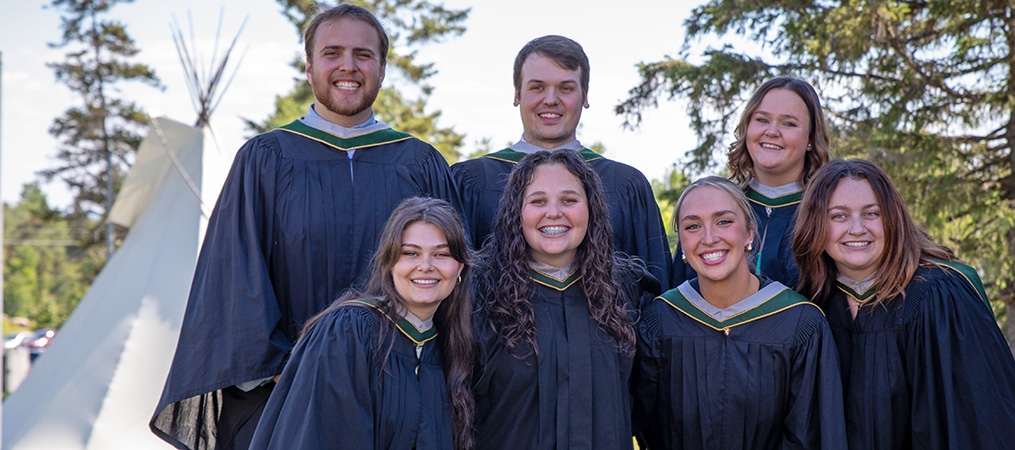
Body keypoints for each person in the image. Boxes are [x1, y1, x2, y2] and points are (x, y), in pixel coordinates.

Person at [150, 5, 459, 449]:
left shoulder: (420, 163)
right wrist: (291, 369)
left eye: (363, 55)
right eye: (333, 53)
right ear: (309, 67)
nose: (348, 66)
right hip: (286, 397)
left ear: (383, 68)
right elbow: (234, 279)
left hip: (404, 394)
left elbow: (452, 274)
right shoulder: (265, 160)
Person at [791, 159, 1015, 450]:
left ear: (892, 219)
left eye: (871, 213)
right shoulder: (812, 309)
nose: (857, 228)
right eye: (838, 216)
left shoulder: (938, 296)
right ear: (815, 225)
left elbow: (981, 422)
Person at [634, 176, 847, 450]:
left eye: (724, 221)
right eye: (693, 226)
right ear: (682, 244)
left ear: (749, 232)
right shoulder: (660, 321)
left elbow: (811, 436)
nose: (709, 238)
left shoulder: (800, 324)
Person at [249, 198, 474, 450]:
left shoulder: (447, 346)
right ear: (389, 263)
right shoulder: (349, 331)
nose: (425, 266)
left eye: (441, 254)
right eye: (410, 253)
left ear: (460, 267)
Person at [451, 35, 670, 294]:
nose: (551, 99)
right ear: (517, 94)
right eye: (537, 87)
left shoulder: (625, 184)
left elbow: (655, 290)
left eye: (566, 88)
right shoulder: (471, 180)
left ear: (585, 96)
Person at [472, 149, 653, 450]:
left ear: (591, 208)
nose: (554, 212)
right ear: (516, 211)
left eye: (569, 200)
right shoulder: (478, 294)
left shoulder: (624, 291)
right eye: (538, 201)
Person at [669, 77, 831, 289]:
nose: (772, 131)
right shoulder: (712, 207)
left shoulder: (829, 214)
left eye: (788, 123)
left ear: (811, 138)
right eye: (762, 120)